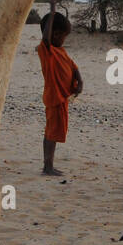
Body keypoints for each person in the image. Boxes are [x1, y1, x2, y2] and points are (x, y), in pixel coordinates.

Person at [37, 11, 82, 176]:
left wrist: (79, 82)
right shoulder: (46, 51)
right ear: (55, 34)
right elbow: (45, 39)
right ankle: (47, 167)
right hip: (54, 98)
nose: (64, 39)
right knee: (51, 133)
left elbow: (74, 67)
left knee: (54, 133)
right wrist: (53, 8)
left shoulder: (61, 51)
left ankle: (49, 165)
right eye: (63, 36)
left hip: (63, 99)